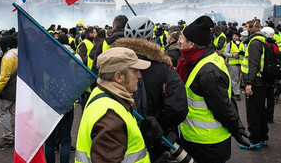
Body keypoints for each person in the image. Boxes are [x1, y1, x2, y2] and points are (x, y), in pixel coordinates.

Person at [113, 16, 188, 161]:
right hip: (156, 141)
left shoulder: (113, 65)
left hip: (121, 137)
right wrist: (162, 126)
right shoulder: (165, 68)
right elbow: (178, 108)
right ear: (151, 37)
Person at [176, 16, 249, 163]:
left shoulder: (208, 71)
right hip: (197, 139)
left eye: (182, 38)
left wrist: (236, 130)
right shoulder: (198, 60)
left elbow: (222, 107)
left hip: (207, 144)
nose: (179, 40)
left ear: (191, 44)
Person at [75, 47, 152, 163]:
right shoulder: (110, 118)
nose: (139, 75)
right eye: (135, 70)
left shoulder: (101, 93)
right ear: (119, 77)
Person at [45, 34, 82, 163]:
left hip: (50, 102)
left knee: (49, 141)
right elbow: (80, 76)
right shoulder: (75, 57)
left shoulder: (49, 58)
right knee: (65, 140)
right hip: (67, 102)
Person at [240, 19, 270, 150]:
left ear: (253, 28)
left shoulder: (254, 43)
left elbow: (254, 64)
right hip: (261, 81)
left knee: (253, 112)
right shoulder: (263, 41)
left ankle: (254, 140)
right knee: (261, 110)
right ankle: (263, 137)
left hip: (255, 82)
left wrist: (248, 84)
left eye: (247, 27)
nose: (246, 29)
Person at [0, 35, 18, 149]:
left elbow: (4, 76)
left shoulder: (9, 56)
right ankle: (16, 135)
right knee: (14, 113)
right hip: (17, 89)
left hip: (6, 91)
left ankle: (8, 137)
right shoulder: (19, 53)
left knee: (2, 113)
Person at [224, 31, 244, 101]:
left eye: (236, 36)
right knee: (235, 79)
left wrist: (242, 53)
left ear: (239, 36)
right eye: (233, 36)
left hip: (241, 63)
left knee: (237, 78)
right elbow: (225, 53)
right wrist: (232, 55)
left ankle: (232, 90)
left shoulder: (243, 44)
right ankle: (237, 93)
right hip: (233, 63)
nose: (234, 37)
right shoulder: (229, 44)